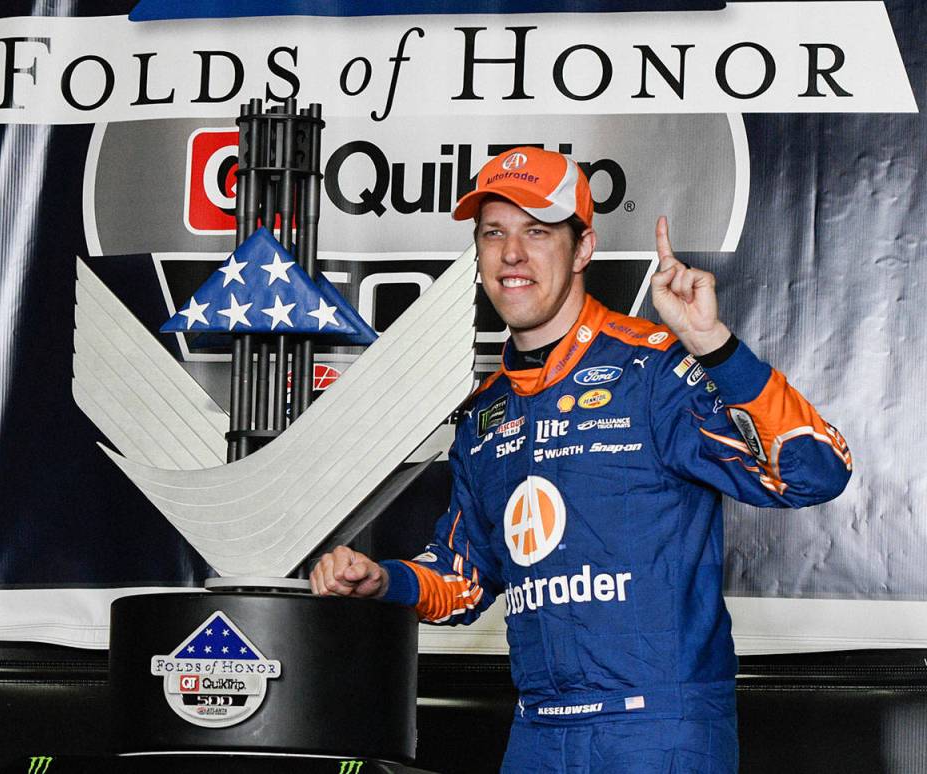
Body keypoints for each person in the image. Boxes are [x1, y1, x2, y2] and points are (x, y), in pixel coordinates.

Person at [310, 146, 852, 773]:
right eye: (494, 233)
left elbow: (814, 474)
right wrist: (386, 582)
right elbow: (462, 581)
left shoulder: (654, 369)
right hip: (539, 730)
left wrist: (713, 346)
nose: (512, 253)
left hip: (660, 727)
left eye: (537, 231)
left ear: (584, 247)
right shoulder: (485, 414)